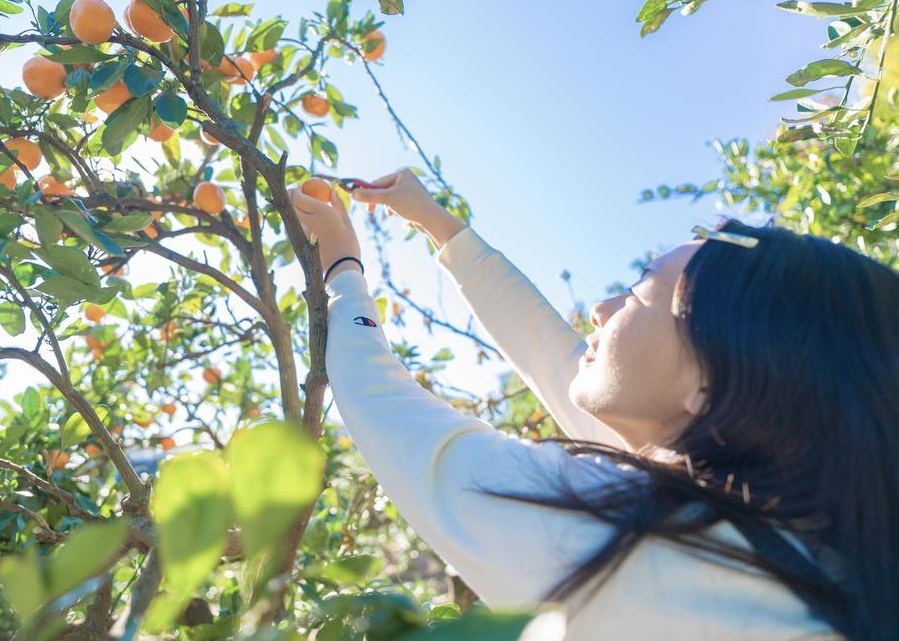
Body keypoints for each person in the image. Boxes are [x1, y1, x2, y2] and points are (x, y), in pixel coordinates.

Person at [287, 168, 899, 641]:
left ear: (714, 385)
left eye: (636, 294)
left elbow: (394, 418)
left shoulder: (647, 549)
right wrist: (439, 227)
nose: (600, 310)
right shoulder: (789, 554)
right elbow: (555, 358)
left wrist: (342, 267)